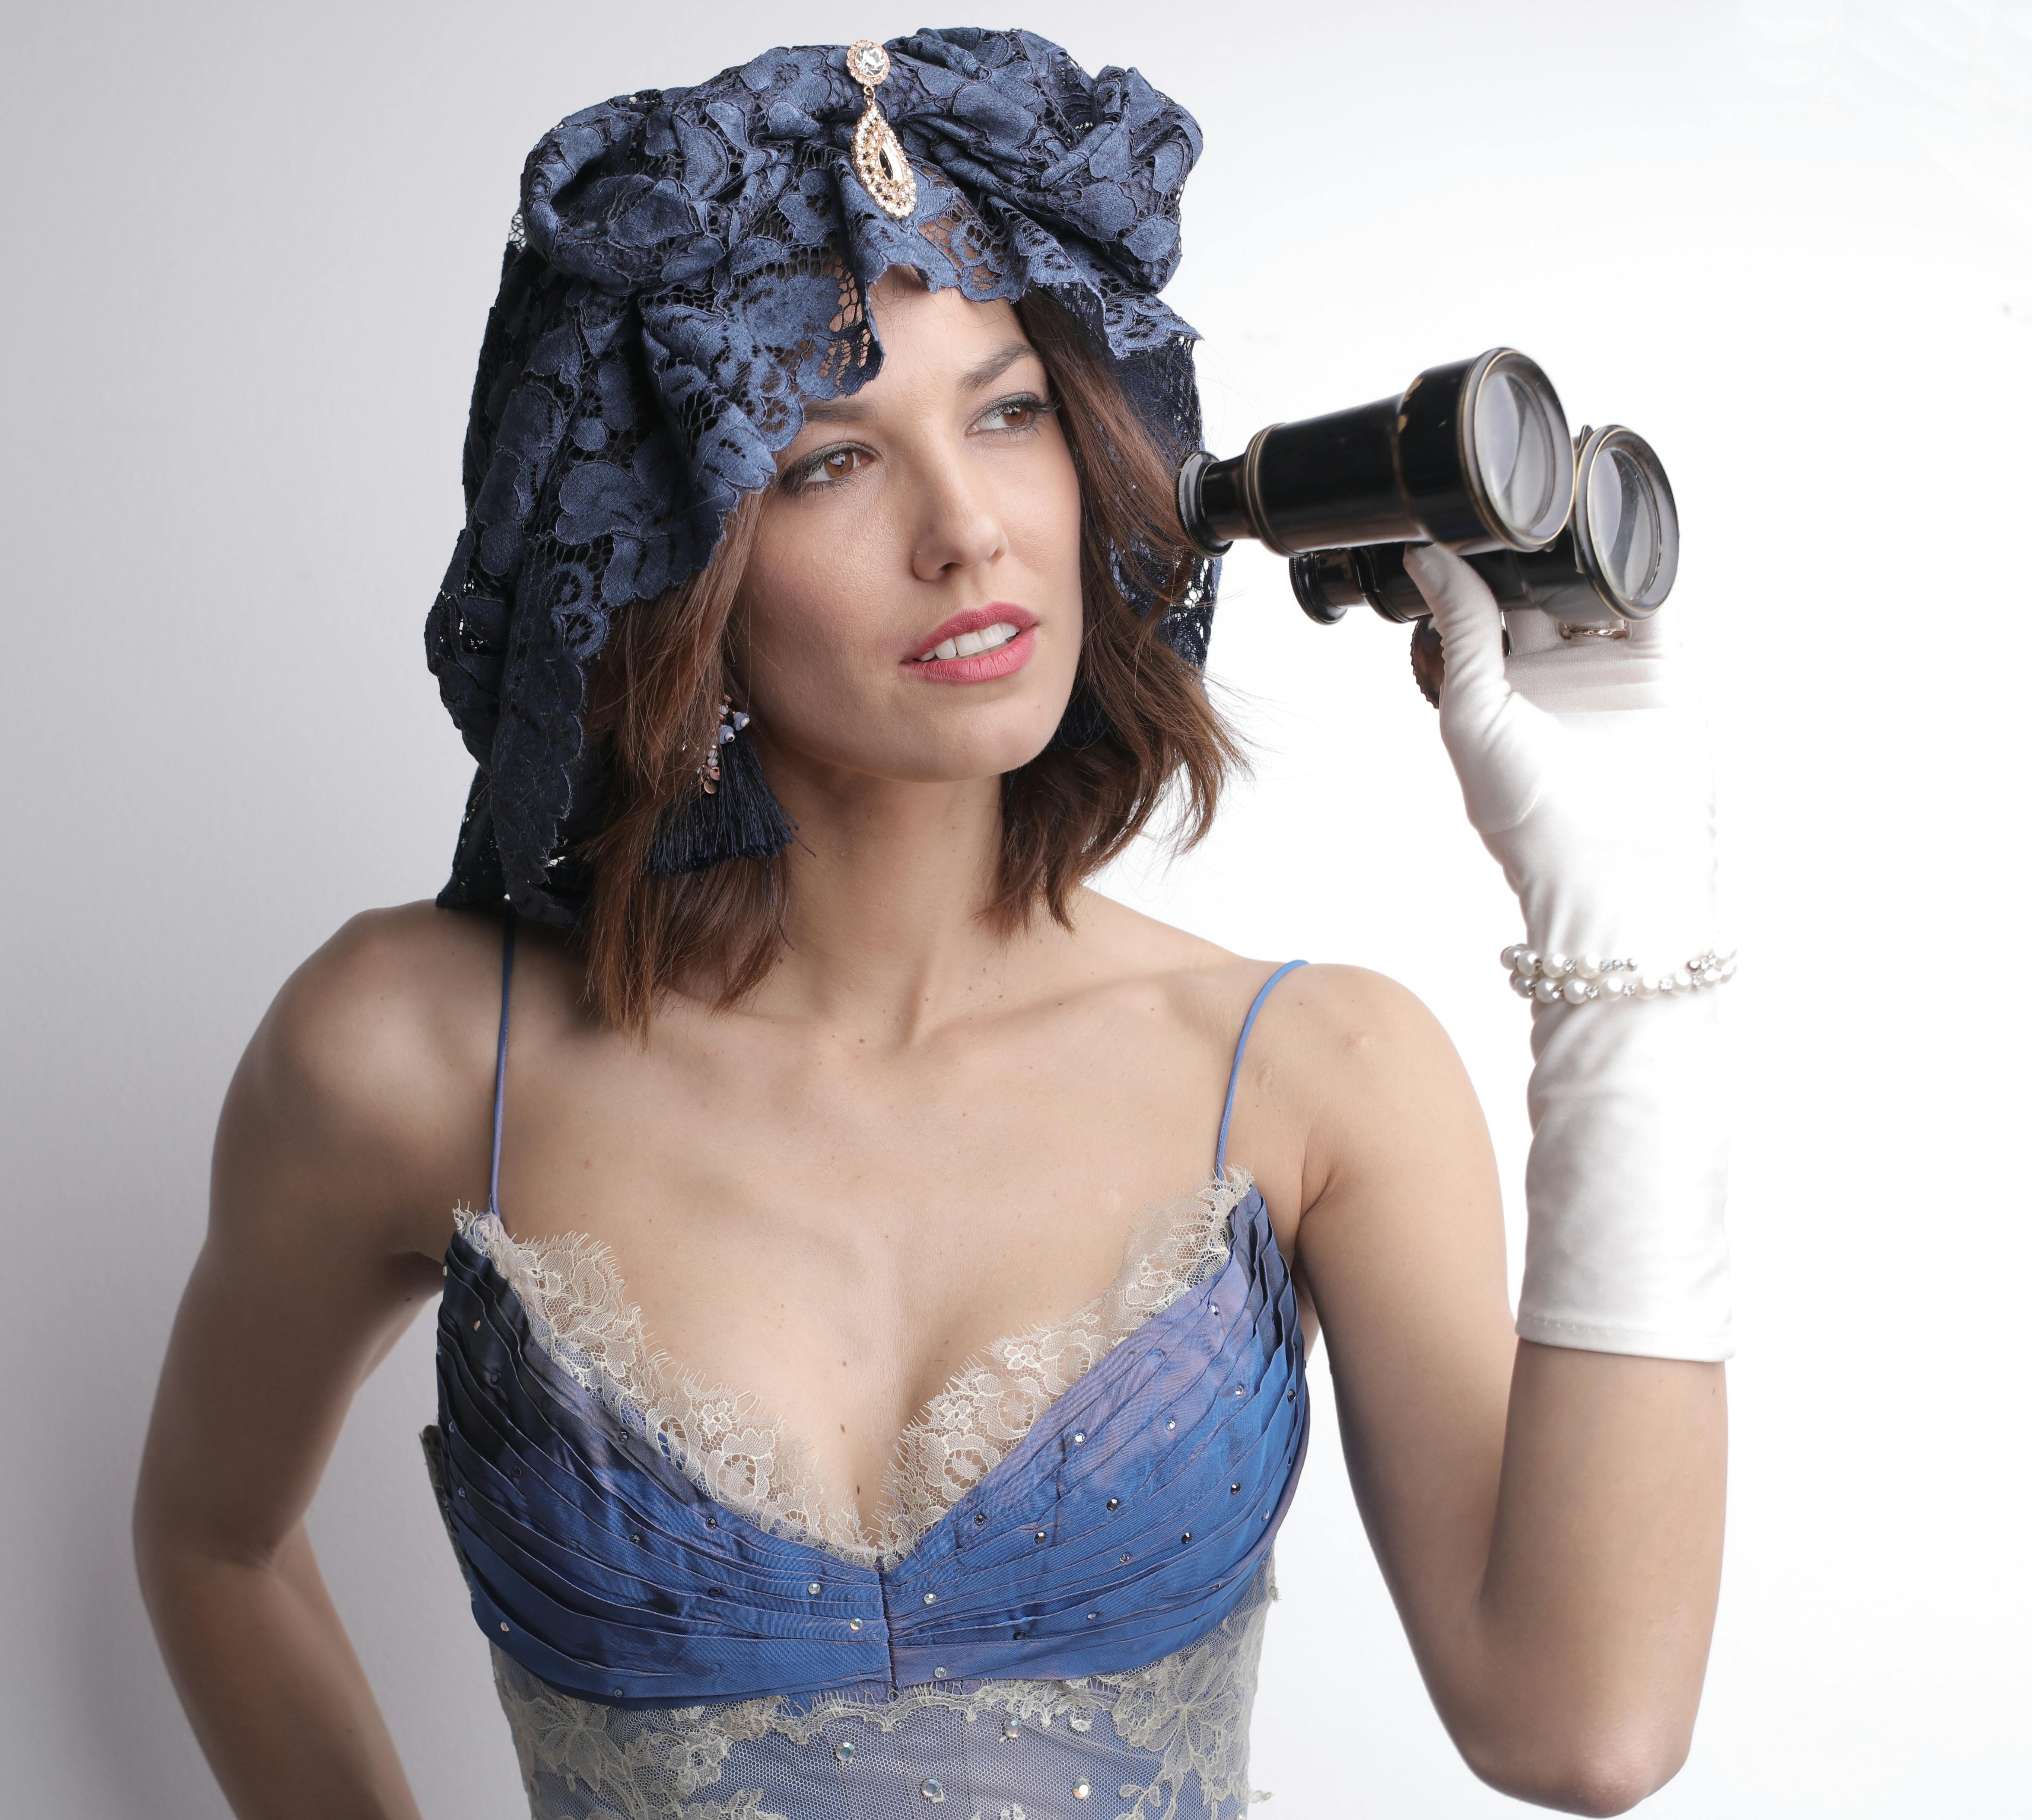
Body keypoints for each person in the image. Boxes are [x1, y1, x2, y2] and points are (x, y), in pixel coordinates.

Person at [133, 28, 1731, 1820]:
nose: (966, 528)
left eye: (1007, 411)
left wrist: (1629, 943)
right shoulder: (407, 1050)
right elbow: (213, 1541)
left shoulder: (1316, 1074)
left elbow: (1581, 1728)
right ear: (671, 542)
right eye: (827, 461)